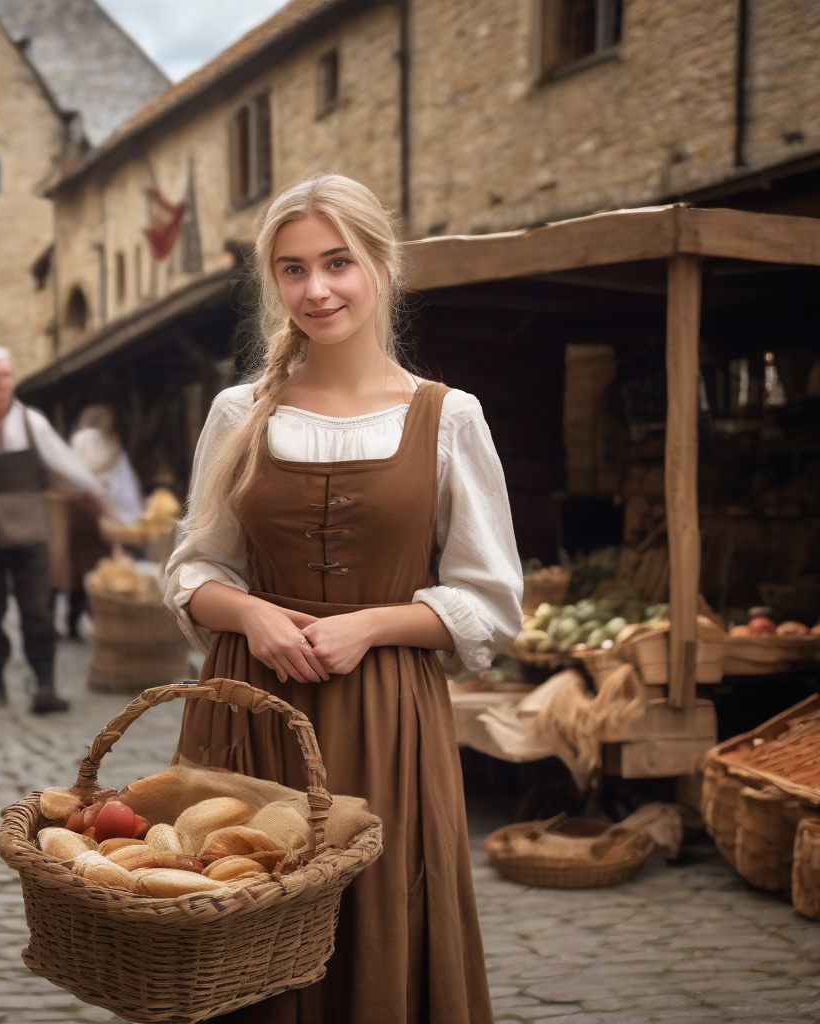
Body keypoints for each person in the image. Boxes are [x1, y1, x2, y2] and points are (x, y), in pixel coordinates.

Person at [164, 174, 524, 1024]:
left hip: (386, 716)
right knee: (241, 915)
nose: (316, 290)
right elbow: (192, 570)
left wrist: (371, 625)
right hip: (246, 712)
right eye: (292, 270)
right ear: (273, 284)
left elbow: (490, 600)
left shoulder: (449, 417)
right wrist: (248, 612)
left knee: (377, 918)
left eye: (337, 263)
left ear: (381, 266)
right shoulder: (238, 412)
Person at [0, 347, 103, 713]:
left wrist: (93, 490)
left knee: (38, 611)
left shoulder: (33, 422)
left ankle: (45, 685)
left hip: (31, 535)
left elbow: (64, 460)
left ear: (13, 379)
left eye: (5, 375)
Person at [62, 404, 144, 636]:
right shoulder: (100, 443)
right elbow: (102, 483)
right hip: (91, 509)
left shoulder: (82, 439)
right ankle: (97, 619)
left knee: (81, 569)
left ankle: (78, 621)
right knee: (93, 567)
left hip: (80, 510)